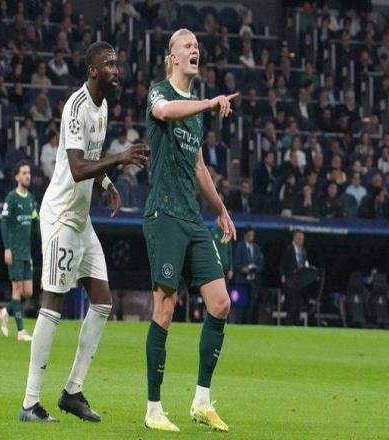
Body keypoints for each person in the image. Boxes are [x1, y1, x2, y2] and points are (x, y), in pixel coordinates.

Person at [20, 41, 149, 423]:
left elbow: (91, 160)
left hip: (81, 219)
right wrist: (120, 157)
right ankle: (29, 403)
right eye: (109, 64)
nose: (116, 70)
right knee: (52, 303)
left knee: (103, 302)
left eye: (117, 63)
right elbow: (77, 168)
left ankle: (72, 392)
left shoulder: (103, 106)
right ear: (93, 70)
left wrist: (106, 182)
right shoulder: (76, 107)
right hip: (61, 216)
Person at [143, 28, 237, 433]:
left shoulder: (195, 114)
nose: (195, 49)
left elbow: (199, 167)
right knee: (164, 309)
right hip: (163, 213)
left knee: (220, 302)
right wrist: (210, 102)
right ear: (173, 57)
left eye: (197, 46)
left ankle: (201, 401)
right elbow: (164, 112)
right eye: (188, 45)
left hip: (192, 218)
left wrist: (221, 209)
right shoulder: (159, 91)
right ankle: (153, 409)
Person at [0, 161, 39, 342]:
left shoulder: (30, 199)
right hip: (14, 251)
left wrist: (44, 241)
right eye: (24, 173)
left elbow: (35, 222)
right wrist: (7, 248)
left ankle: (5, 312)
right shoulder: (12, 198)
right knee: (17, 289)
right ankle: (21, 332)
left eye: (29, 173)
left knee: (28, 292)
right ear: (17, 177)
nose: (28, 176)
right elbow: (4, 223)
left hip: (26, 253)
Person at [233, 227, 263, 324]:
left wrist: (255, 269)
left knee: (251, 308)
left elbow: (261, 265)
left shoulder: (257, 248)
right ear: (245, 235)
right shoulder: (239, 247)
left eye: (253, 235)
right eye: (250, 235)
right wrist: (243, 269)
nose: (251, 237)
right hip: (242, 282)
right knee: (240, 309)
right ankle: (238, 327)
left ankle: (248, 325)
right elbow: (236, 264)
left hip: (253, 283)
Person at [279, 230, 309, 326]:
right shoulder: (288, 250)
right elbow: (281, 265)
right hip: (290, 282)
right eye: (300, 239)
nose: (302, 241)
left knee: (298, 306)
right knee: (291, 306)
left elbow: (305, 264)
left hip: (299, 283)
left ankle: (296, 325)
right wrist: (282, 275)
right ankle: (289, 325)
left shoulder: (303, 251)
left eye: (303, 239)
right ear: (295, 238)